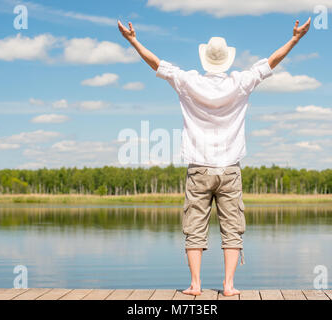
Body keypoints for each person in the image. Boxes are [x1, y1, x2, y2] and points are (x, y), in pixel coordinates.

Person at [118, 18, 311, 296]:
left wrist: (133, 40)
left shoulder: (188, 81)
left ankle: (195, 285)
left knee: (194, 226)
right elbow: (271, 61)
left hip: (199, 168)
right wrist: (295, 38)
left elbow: (156, 63)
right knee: (232, 228)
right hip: (229, 168)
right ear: (227, 60)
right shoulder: (241, 82)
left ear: (205, 59)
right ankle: (229, 286)